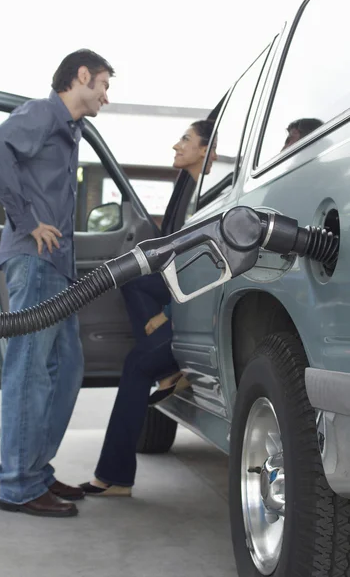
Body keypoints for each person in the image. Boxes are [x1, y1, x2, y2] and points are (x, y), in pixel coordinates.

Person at [0, 49, 114, 518]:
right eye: (103, 85)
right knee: (30, 370)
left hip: (57, 267)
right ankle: (18, 485)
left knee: (67, 368)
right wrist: (29, 220)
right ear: (81, 76)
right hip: (34, 260)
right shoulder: (42, 113)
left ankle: (36, 469)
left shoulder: (70, 130)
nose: (106, 97)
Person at [79, 120, 217, 497]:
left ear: (206, 150)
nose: (176, 145)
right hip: (185, 304)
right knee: (132, 280)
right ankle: (115, 475)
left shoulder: (214, 198)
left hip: (202, 312)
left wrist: (168, 313)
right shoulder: (188, 189)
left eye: (185, 140)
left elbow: (206, 268)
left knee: (137, 365)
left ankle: (114, 478)